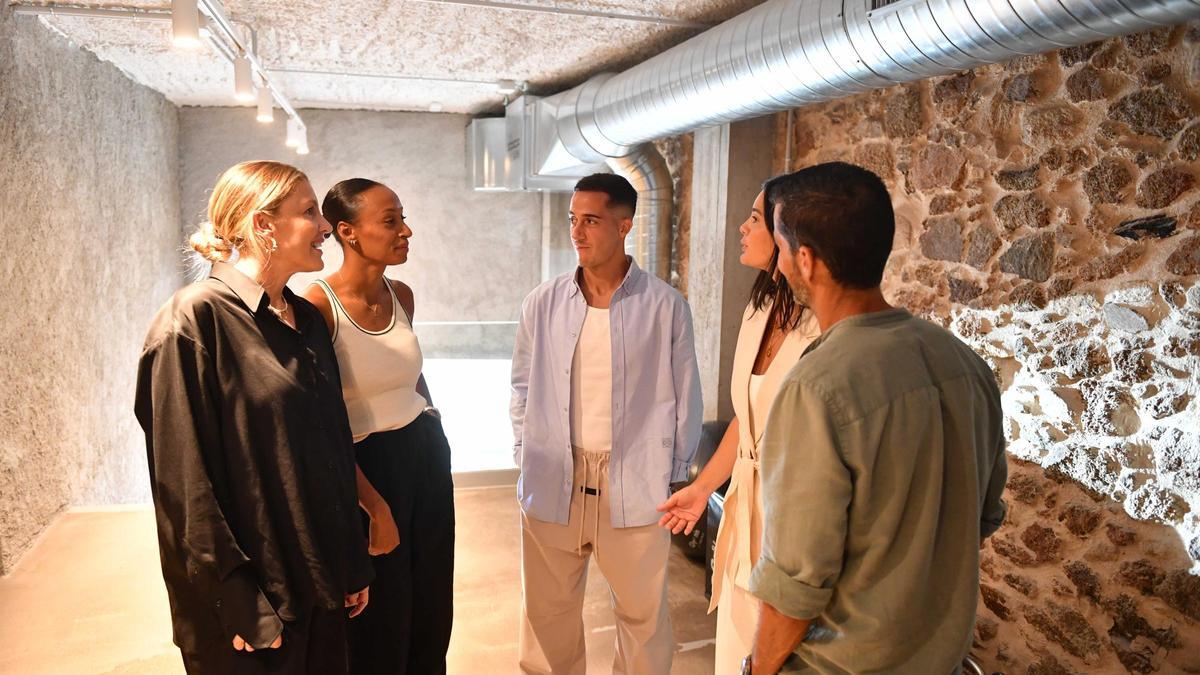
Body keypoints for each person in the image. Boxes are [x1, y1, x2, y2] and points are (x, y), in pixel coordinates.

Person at [741, 162, 1008, 675]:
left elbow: (795, 586)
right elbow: (981, 517)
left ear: (806, 260)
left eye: (780, 246)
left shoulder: (815, 387)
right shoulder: (967, 365)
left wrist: (757, 668)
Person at [134, 160, 373, 674]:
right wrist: (236, 597)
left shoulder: (304, 319)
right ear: (264, 225)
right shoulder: (193, 321)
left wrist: (350, 557)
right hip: (254, 608)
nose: (326, 227)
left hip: (320, 581)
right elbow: (184, 485)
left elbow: (331, 445)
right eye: (309, 212)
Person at [510, 173, 702, 674]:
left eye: (591, 221)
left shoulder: (665, 306)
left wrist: (673, 474)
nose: (577, 232)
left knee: (643, 620)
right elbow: (522, 388)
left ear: (624, 225)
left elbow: (687, 397)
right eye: (573, 219)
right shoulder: (542, 302)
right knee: (546, 617)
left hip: (635, 479)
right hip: (554, 476)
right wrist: (525, 455)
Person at [655, 184, 819, 674]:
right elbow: (745, 427)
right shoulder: (759, 308)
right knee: (733, 653)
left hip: (793, 516)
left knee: (777, 654)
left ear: (789, 234)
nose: (742, 228)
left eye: (754, 218)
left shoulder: (824, 325)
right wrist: (702, 488)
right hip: (743, 510)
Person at [302, 178, 454, 675]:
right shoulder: (317, 307)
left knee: (432, 602)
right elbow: (318, 424)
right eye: (390, 221)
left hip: (424, 455)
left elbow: (408, 372)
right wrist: (373, 504)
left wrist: (432, 422)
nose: (405, 231)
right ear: (347, 232)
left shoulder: (401, 295)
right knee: (380, 615)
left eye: (402, 219)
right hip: (366, 467)